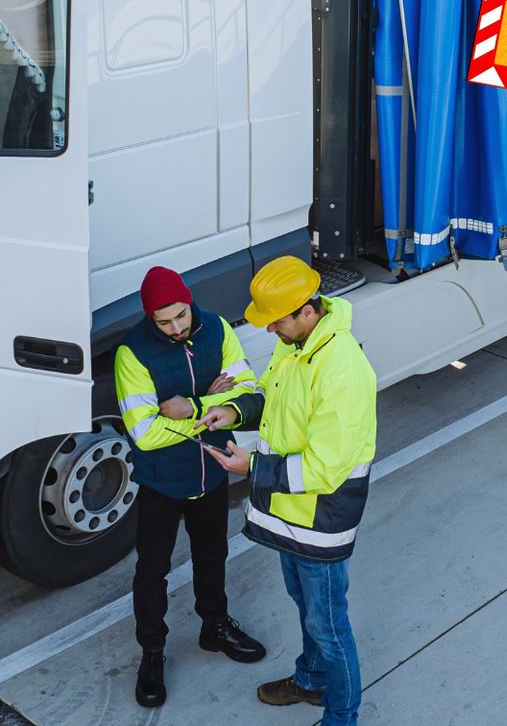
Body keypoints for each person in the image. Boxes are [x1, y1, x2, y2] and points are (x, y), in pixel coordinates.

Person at [204, 257, 376, 726]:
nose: (270, 330)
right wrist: (234, 414)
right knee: (307, 606)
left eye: (276, 320)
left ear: (305, 310)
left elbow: (325, 467)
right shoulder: (295, 345)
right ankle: (312, 680)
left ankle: (342, 717)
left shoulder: (340, 369)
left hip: (321, 517)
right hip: (289, 510)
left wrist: (251, 467)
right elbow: (274, 401)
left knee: (329, 624)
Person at [113, 266, 268, 708]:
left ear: (189, 302)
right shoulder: (132, 354)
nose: (176, 328)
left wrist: (191, 405)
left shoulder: (218, 329)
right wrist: (216, 399)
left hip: (213, 471)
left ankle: (214, 627)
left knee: (213, 553)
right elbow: (143, 434)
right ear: (150, 318)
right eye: (165, 322)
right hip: (162, 481)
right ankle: (153, 652)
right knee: (152, 570)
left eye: (181, 316)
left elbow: (251, 392)